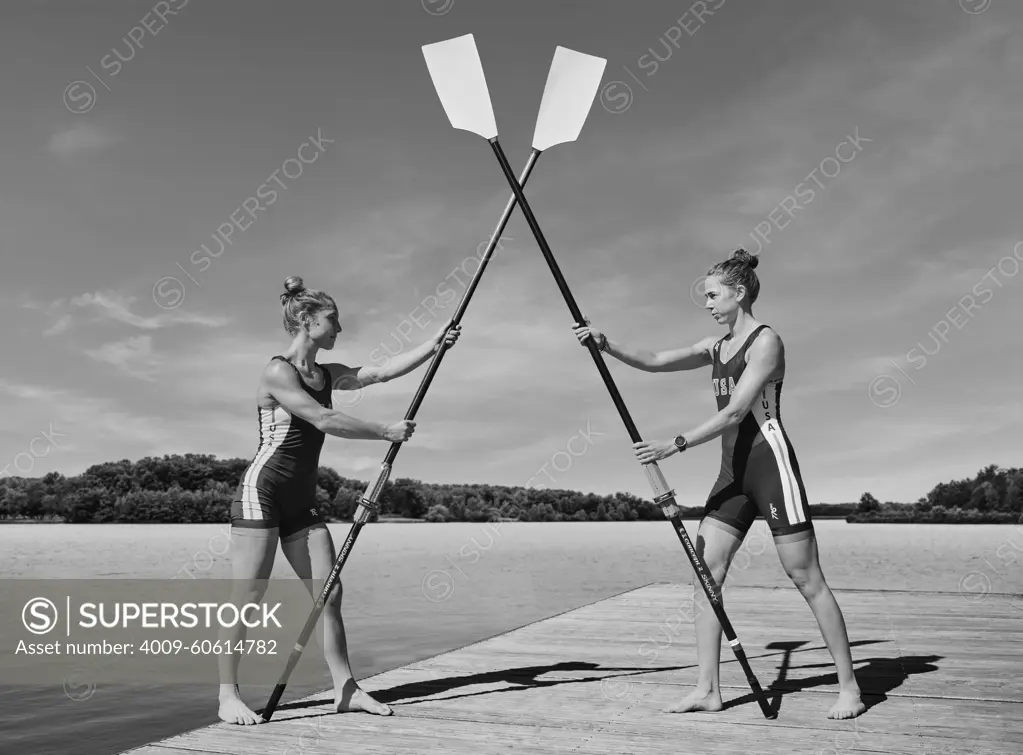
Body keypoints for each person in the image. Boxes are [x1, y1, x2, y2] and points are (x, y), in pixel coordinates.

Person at [571, 249, 865, 720]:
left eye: (712, 295)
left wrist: (675, 444)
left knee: (805, 576)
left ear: (739, 292)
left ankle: (849, 687)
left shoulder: (767, 343)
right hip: (732, 474)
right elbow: (655, 359)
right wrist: (606, 344)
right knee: (706, 576)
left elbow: (735, 412)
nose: (706, 303)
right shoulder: (715, 346)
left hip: (772, 469)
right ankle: (708, 689)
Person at [218, 275, 461, 725]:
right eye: (334, 320)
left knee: (329, 593)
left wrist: (434, 344)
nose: (340, 329)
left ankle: (345, 688)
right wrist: (386, 431)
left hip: (301, 502)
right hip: (261, 494)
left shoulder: (327, 374)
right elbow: (323, 418)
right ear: (308, 321)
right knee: (249, 595)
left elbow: (381, 371)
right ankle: (227, 695)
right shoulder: (278, 371)